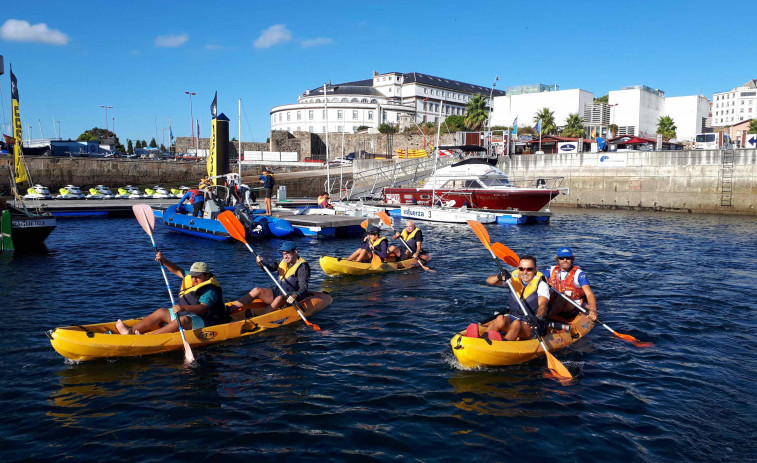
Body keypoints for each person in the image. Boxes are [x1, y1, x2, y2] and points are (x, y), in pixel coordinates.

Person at [116, 253, 226, 335]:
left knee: (183, 320)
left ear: (206, 276)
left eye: (198, 276)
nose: (194, 279)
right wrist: (163, 260)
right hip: (189, 314)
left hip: (209, 321)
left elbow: (203, 308)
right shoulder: (191, 278)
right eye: (193, 276)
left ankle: (150, 339)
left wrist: (183, 308)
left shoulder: (210, 290)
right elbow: (177, 270)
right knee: (161, 312)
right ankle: (130, 331)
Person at [466, 255, 550, 341]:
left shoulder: (541, 285)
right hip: (513, 318)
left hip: (532, 325)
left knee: (517, 324)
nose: (525, 272)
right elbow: (489, 281)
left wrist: (537, 318)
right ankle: (482, 339)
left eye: (529, 269)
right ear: (518, 269)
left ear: (535, 270)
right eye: (521, 269)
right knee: (500, 318)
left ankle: (504, 344)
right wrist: (499, 277)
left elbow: (543, 304)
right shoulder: (513, 280)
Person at [231, 241, 310, 314]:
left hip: (291, 298)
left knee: (279, 298)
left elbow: (304, 288)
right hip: (279, 293)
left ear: (295, 252)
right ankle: (229, 310)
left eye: (287, 253)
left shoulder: (302, 267)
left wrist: (295, 296)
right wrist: (260, 264)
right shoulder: (283, 261)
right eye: (283, 254)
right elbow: (268, 268)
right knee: (256, 290)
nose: (285, 256)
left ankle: (259, 318)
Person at [545, 247, 597, 321]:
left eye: (568, 258)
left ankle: (546, 317)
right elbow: (540, 282)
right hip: (553, 305)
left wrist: (593, 309)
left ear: (572, 259)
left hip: (572, 309)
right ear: (557, 260)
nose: (565, 260)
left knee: (561, 297)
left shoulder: (579, 274)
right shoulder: (550, 270)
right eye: (561, 258)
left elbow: (589, 293)